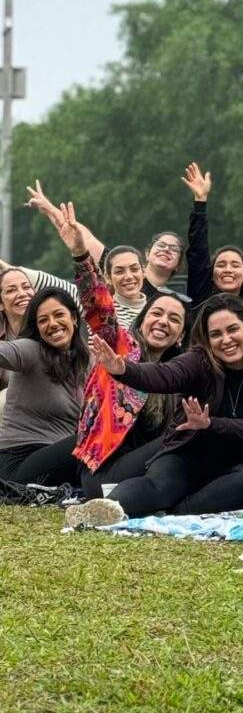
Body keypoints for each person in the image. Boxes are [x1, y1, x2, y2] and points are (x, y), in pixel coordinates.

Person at [67, 293, 243, 523]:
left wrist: (210, 424)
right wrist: (122, 369)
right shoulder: (199, 362)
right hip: (189, 452)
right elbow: (163, 374)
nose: (226, 340)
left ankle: (178, 510)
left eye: (233, 329)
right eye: (216, 334)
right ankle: (103, 510)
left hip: (241, 463)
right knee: (159, 486)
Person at [49, 203, 189, 498]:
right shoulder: (122, 345)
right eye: (157, 313)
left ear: (181, 336)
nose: (163, 322)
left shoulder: (180, 370)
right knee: (180, 436)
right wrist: (80, 254)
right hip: (103, 468)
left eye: (174, 319)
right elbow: (98, 306)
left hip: (148, 466)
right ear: (143, 319)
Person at [26, 179, 188, 304]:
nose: (166, 249)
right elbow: (84, 237)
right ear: (147, 253)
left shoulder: (170, 303)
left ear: (179, 264)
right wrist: (50, 209)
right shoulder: (119, 266)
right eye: (160, 245)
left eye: (173, 248)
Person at [182, 162, 243, 347]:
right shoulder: (202, 297)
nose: (228, 269)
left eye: (235, 265)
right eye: (221, 265)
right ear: (212, 274)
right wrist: (200, 202)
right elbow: (198, 252)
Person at [0, 286, 88, 486]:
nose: (53, 324)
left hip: (61, 458)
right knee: (94, 437)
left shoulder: (87, 362)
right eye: (43, 320)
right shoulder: (31, 351)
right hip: (17, 463)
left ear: (74, 318)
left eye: (59, 315)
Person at [0, 268, 35, 411]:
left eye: (26, 287)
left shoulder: (50, 327)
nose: (22, 294)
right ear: (1, 304)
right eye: (11, 290)